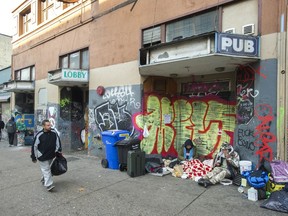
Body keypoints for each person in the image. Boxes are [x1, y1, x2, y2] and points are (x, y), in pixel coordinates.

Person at [31, 119, 62, 192]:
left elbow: (58, 142)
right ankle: (49, 185)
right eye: (48, 125)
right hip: (42, 156)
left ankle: (44, 178)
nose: (49, 126)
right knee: (46, 169)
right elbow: (34, 146)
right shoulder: (39, 134)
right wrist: (34, 156)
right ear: (43, 126)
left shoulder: (54, 132)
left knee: (48, 169)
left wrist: (58, 151)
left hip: (51, 155)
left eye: (50, 125)